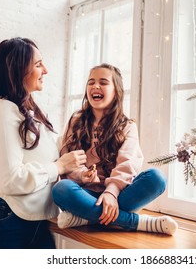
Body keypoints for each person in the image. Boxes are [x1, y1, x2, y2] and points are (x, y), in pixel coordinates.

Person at [0, 37, 87, 249]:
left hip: (30, 221)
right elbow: (13, 180)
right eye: (38, 64)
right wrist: (59, 166)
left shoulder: (29, 113)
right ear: (17, 70)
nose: (45, 70)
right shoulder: (1, 109)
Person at [51, 63, 178, 235]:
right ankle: (137, 222)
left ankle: (85, 217)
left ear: (116, 91)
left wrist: (112, 191)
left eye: (103, 82)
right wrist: (83, 175)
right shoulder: (76, 121)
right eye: (91, 82)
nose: (95, 86)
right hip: (84, 194)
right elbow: (67, 159)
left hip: (119, 195)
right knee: (61, 189)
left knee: (157, 178)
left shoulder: (127, 126)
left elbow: (128, 163)